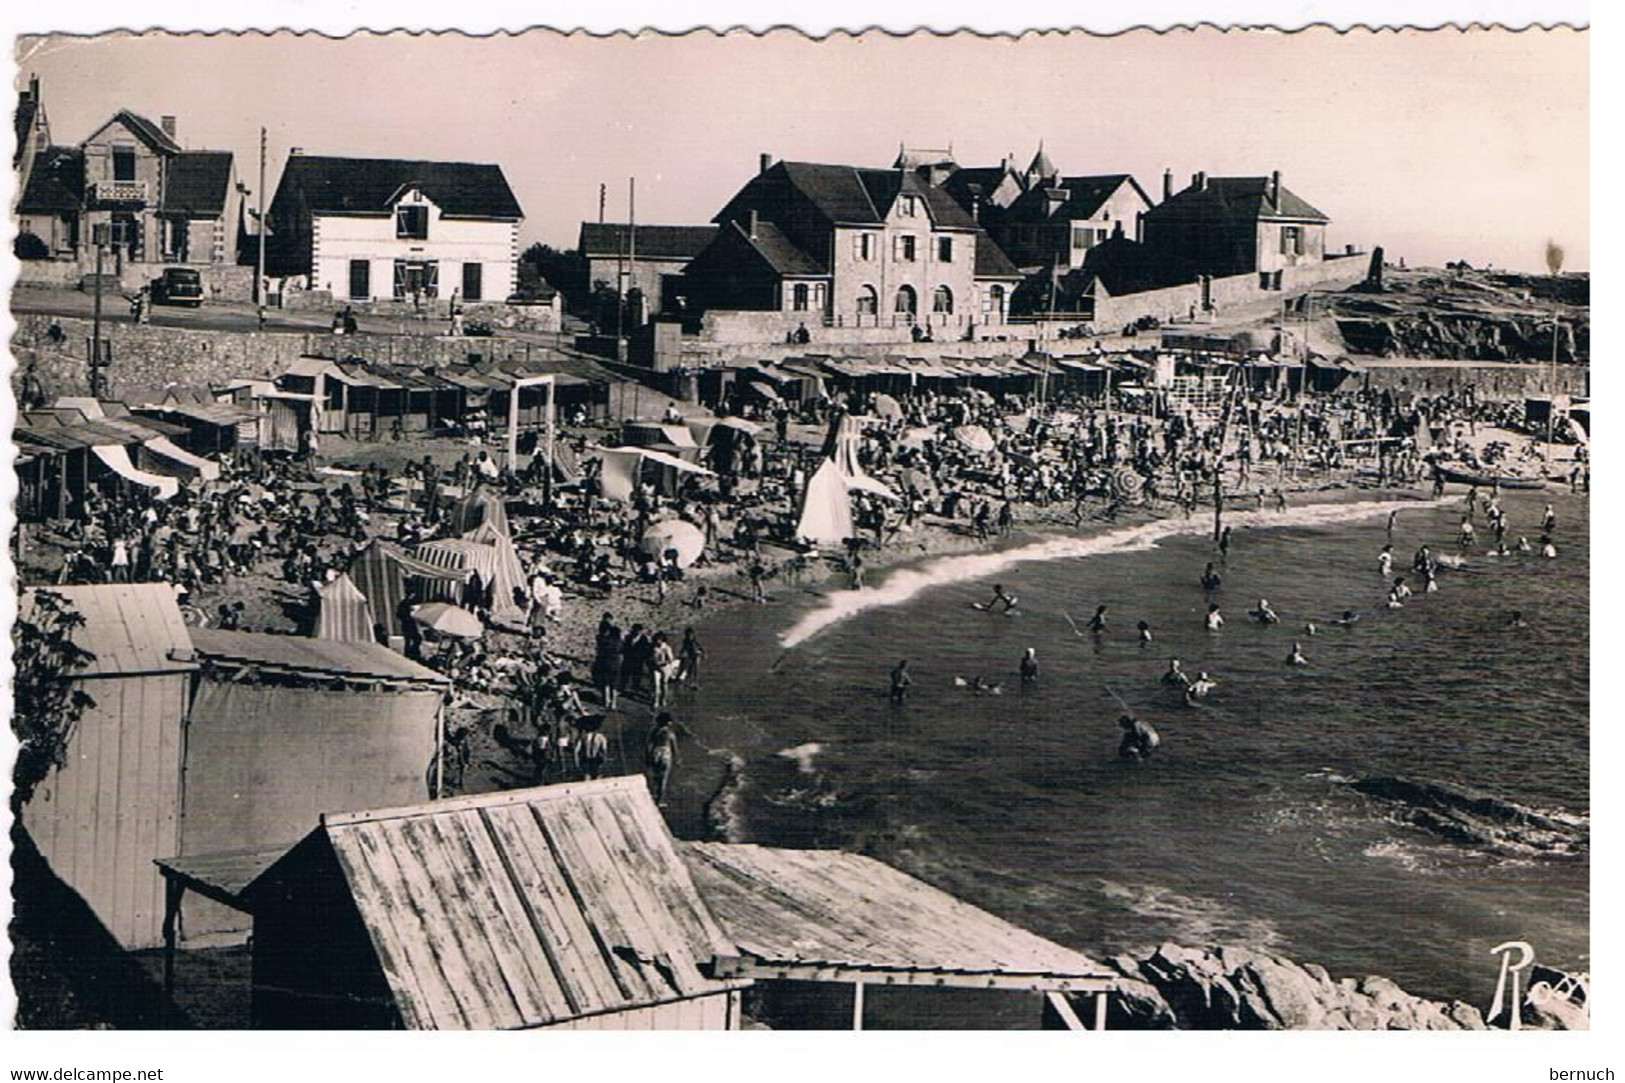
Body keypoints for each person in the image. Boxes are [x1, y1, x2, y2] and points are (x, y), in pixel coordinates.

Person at [645, 712, 680, 804]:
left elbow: (649, 745)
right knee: (663, 779)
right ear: (668, 723)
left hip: (655, 752)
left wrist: (648, 756)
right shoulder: (670, 734)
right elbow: (674, 748)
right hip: (666, 755)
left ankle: (651, 794)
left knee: (654, 776)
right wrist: (678, 759)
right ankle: (659, 801)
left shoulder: (654, 732)